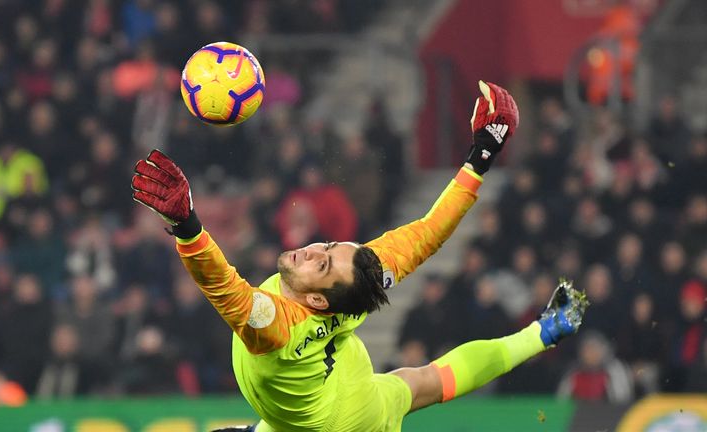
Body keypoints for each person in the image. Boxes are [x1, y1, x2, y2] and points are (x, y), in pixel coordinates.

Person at [131, 81, 589, 432]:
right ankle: (545, 331)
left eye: (323, 262)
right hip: (326, 373)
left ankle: (542, 332)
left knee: (423, 385)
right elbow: (429, 233)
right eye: (327, 248)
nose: (314, 250)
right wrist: (482, 155)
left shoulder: (277, 325)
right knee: (421, 384)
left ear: (316, 302)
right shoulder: (358, 277)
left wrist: (188, 226)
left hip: (342, 419)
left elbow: (223, 288)